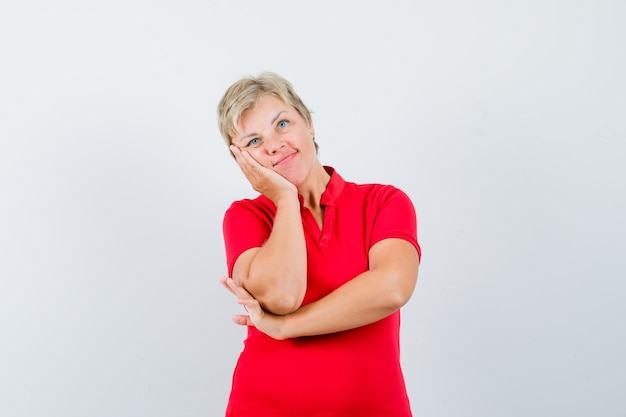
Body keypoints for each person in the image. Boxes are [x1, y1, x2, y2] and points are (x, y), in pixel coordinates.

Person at [217, 72, 421, 416]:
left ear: (309, 124)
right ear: (242, 160)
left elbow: (393, 289)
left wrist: (284, 327)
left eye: (282, 124)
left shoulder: (383, 202)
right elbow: (283, 296)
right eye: (254, 142)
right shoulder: (245, 217)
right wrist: (284, 199)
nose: (273, 145)